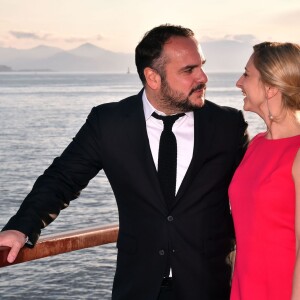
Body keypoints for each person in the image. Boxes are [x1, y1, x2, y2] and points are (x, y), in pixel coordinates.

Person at [0, 24, 249, 300]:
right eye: (189, 70)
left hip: (209, 288)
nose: (203, 77)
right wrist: (21, 226)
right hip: (137, 286)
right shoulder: (108, 123)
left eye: (201, 66)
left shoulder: (228, 125)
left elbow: (255, 196)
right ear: (152, 78)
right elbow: (63, 178)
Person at [229, 42, 300, 300]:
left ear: (270, 87)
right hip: (245, 288)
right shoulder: (256, 144)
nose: (239, 82)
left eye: (247, 74)